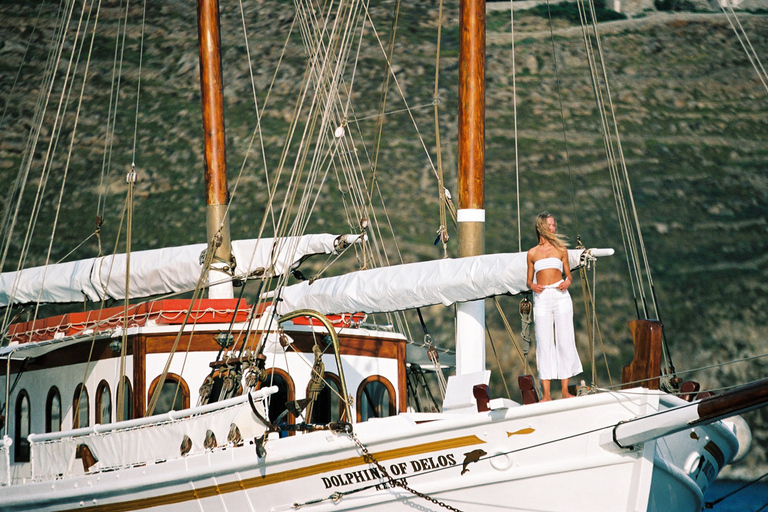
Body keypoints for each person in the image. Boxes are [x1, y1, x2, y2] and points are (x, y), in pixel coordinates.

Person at [526, 212, 582, 401]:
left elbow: (569, 275)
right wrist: (533, 286)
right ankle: (547, 395)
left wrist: (568, 281)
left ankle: (565, 391)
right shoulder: (532, 253)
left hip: (560, 296)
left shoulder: (561, 249)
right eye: (550, 225)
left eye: (554, 225)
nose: (553, 228)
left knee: (564, 339)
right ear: (540, 227)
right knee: (544, 343)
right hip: (542, 298)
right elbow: (528, 281)